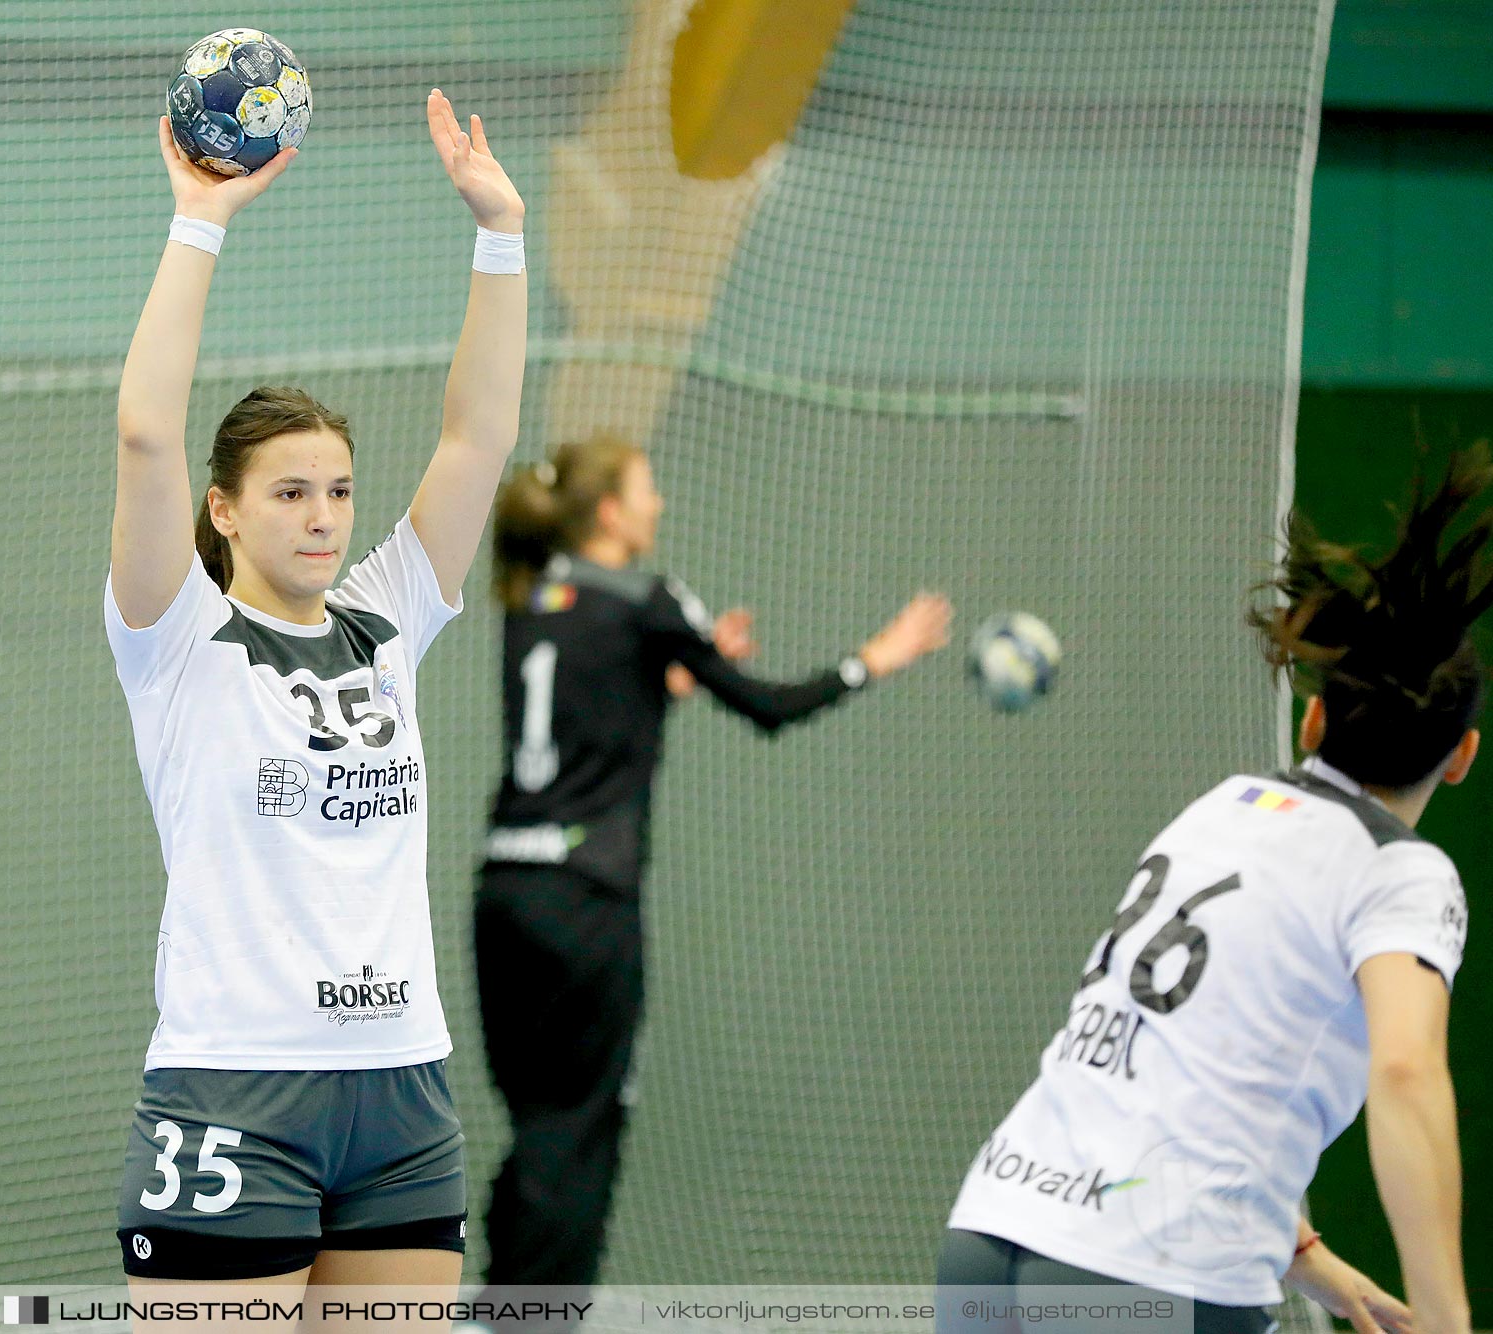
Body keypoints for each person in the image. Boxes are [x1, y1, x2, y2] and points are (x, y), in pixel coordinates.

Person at [103, 91, 525, 1325]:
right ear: (226, 509)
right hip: (238, 1089)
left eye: (338, 489)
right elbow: (144, 433)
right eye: (289, 492)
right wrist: (199, 222)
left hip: (400, 1092)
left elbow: (480, 433)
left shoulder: (388, 611)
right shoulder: (175, 633)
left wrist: (498, 232)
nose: (325, 514)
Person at [938, 450, 1486, 1334]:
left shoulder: (1225, 807)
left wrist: (1314, 1263)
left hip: (992, 1234)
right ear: (1461, 759)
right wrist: (1449, 1319)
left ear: (1314, 719)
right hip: (1147, 1275)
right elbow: (1406, 1068)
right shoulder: (1401, 871)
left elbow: (1190, 1064)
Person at [473, 436, 953, 1292]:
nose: (659, 505)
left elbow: (590, 700)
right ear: (613, 513)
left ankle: (499, 1301)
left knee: (539, 1120)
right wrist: (874, 658)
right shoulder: (649, 600)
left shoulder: (533, 592)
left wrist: (668, 673)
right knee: (583, 1126)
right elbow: (768, 707)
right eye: (647, 490)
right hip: (589, 900)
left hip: (505, 891)